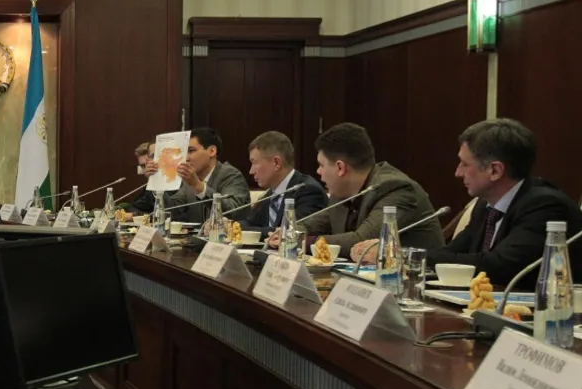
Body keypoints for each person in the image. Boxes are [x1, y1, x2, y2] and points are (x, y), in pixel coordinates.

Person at [355, 119, 582, 285]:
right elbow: (451, 254)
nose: (457, 172)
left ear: (495, 170)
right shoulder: (486, 205)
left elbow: (498, 266)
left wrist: (400, 255)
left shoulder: (545, 207)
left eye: (464, 164)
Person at [278, 122, 443, 253]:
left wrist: (301, 241)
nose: (318, 172)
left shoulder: (396, 189)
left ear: (340, 168)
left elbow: (362, 241)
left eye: (321, 165)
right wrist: (287, 233)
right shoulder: (342, 192)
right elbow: (309, 226)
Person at [132, 127, 250, 224]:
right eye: (184, 152)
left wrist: (198, 187)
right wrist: (156, 180)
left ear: (212, 151)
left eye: (191, 151)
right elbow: (172, 211)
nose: (186, 158)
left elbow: (233, 212)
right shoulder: (190, 180)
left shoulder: (231, 175)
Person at [241, 131, 327, 230]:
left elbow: (289, 231)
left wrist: (241, 230)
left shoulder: (308, 191)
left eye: (254, 163)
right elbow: (250, 223)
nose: (251, 171)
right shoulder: (271, 193)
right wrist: (230, 226)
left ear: (276, 163)